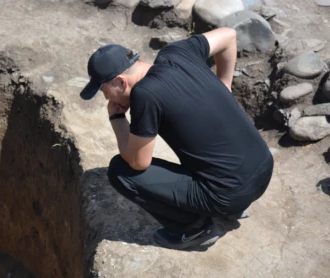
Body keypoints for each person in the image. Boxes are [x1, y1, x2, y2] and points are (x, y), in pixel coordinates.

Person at [80, 28, 273, 250]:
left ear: (122, 82)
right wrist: (224, 84)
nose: (106, 97)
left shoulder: (145, 95)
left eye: (105, 91)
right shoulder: (177, 52)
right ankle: (230, 206)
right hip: (263, 168)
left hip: (230, 194)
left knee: (119, 172)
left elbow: (137, 162)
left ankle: (193, 229)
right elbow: (229, 35)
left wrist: (116, 118)